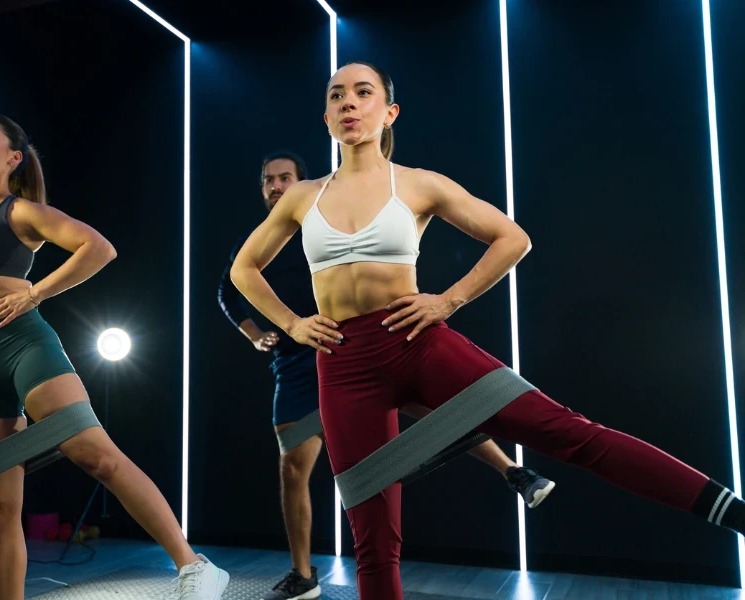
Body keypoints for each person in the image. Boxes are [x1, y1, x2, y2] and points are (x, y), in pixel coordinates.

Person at [228, 62, 745, 600]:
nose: (350, 103)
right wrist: (290, 322)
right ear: (328, 117)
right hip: (343, 365)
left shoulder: (419, 184)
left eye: (364, 93)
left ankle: (735, 512)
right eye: (338, 96)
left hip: (417, 344)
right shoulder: (301, 196)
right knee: (374, 543)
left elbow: (511, 238)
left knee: (571, 434)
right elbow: (243, 270)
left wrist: (449, 299)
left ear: (389, 112)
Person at [0, 114, 228, 600]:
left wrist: (34, 293)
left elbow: (97, 248)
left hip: (23, 346)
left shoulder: (20, 212)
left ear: (13, 157)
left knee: (95, 456)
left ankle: (194, 566)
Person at [219, 150, 554, 600]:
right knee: (293, 469)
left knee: (439, 412)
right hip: (298, 363)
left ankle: (513, 471)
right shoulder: (259, 239)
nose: (276, 186)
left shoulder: (323, 217)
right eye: (268, 180)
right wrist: (264, 331)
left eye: (284, 178)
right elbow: (229, 286)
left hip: (358, 349)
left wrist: (441, 299)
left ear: (302, 182)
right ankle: (302, 576)